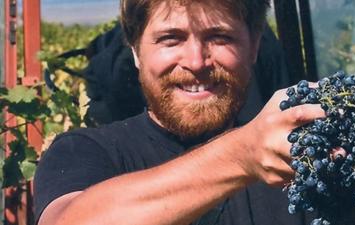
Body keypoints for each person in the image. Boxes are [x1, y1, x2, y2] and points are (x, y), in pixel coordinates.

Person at [33, 0, 326, 225]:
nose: (196, 62)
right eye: (171, 39)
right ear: (135, 50)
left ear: (254, 45)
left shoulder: (302, 160)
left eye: (220, 37)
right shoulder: (85, 152)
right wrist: (242, 154)